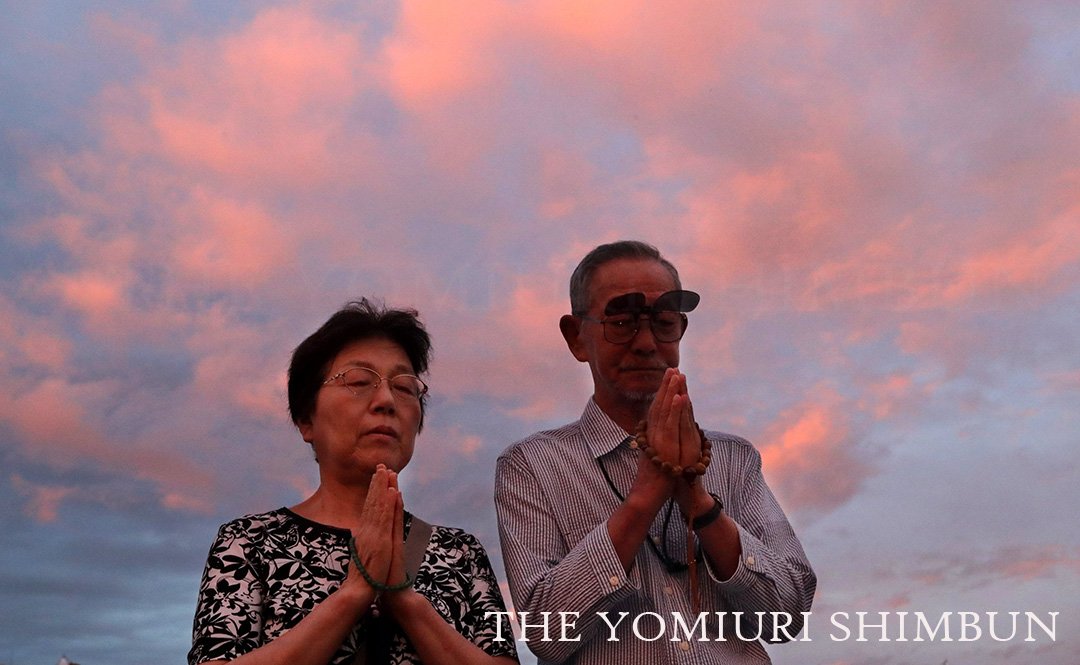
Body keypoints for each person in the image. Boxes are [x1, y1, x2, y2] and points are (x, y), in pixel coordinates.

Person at [495, 241, 815, 664]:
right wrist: (644, 498)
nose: (646, 343)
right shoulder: (532, 465)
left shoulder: (734, 459)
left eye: (663, 322)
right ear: (576, 337)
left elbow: (788, 615)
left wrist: (699, 503)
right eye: (621, 322)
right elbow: (546, 632)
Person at [189, 299, 518, 665]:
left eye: (404, 387)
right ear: (306, 420)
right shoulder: (248, 543)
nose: (386, 400)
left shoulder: (461, 553)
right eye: (359, 381)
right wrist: (355, 591)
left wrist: (405, 599)